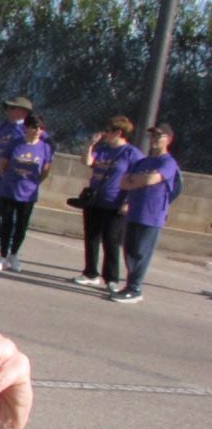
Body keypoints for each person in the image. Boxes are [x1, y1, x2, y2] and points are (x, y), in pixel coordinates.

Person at [114, 124, 183, 304]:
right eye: (152, 136)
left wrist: (139, 180)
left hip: (152, 214)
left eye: (158, 136)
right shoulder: (142, 162)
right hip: (134, 211)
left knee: (141, 252)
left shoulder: (168, 162)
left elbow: (153, 179)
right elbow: (123, 183)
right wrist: (141, 180)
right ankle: (129, 285)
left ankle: (135, 288)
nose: (154, 140)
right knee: (129, 250)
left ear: (168, 139)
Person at [73, 116, 140, 292]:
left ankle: (111, 278)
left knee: (111, 240)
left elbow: (135, 180)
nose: (106, 133)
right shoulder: (102, 149)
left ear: (119, 132)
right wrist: (90, 144)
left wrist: (127, 201)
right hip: (95, 200)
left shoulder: (131, 153)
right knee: (91, 237)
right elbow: (87, 161)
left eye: (109, 130)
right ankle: (90, 273)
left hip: (115, 202)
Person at [0, 113, 51, 273]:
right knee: (7, 223)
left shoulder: (44, 147)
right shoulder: (15, 143)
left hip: (28, 193)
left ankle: (14, 255)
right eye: (34, 127)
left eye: (41, 128)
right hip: (9, 190)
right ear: (26, 128)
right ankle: (2, 256)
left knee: (21, 226)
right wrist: (8, 179)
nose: (38, 131)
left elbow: (45, 170)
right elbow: (3, 164)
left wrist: (33, 183)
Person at [0, 97, 34, 258]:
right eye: (8, 108)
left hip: (11, 180)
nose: (8, 111)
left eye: (12, 108)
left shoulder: (25, 131)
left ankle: (6, 249)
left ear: (23, 112)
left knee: (9, 216)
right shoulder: (5, 126)